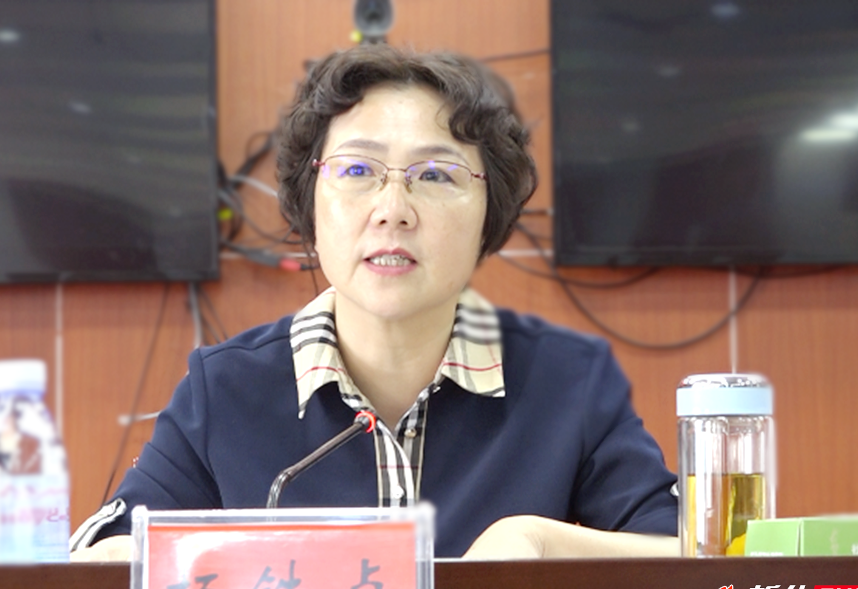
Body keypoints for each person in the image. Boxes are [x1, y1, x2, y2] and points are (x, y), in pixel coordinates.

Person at [70, 45, 678, 561]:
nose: (392, 209)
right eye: (357, 170)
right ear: (311, 207)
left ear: (488, 218)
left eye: (434, 175)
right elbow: (98, 569)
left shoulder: (568, 385)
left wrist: (537, 540)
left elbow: (703, 575)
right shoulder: (223, 392)